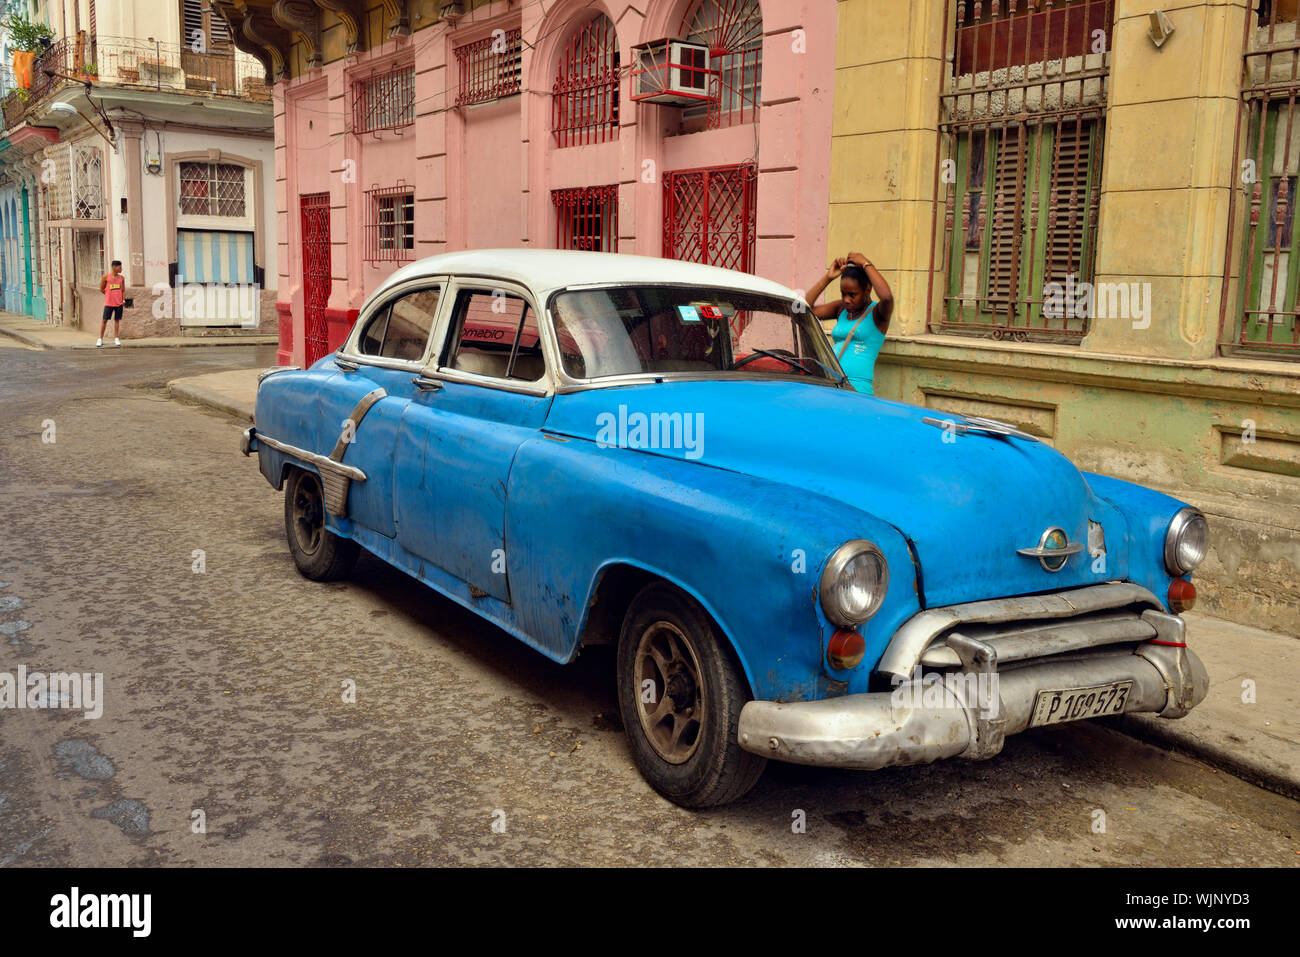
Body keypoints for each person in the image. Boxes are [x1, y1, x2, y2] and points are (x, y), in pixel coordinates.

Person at [804, 251, 894, 394]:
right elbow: (803, 310)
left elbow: (887, 297)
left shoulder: (878, 314)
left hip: (857, 390)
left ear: (867, 290)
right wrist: (828, 277)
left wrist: (866, 263)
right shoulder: (841, 309)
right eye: (843, 293)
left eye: (852, 294)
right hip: (831, 385)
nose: (846, 299)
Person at [98, 260, 125, 347]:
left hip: (119, 303)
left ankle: (116, 338)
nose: (121, 269)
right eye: (119, 267)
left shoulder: (122, 278)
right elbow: (102, 289)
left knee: (117, 320)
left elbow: (123, 290)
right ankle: (100, 339)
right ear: (114, 267)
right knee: (104, 320)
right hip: (109, 303)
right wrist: (109, 295)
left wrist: (123, 299)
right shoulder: (106, 277)